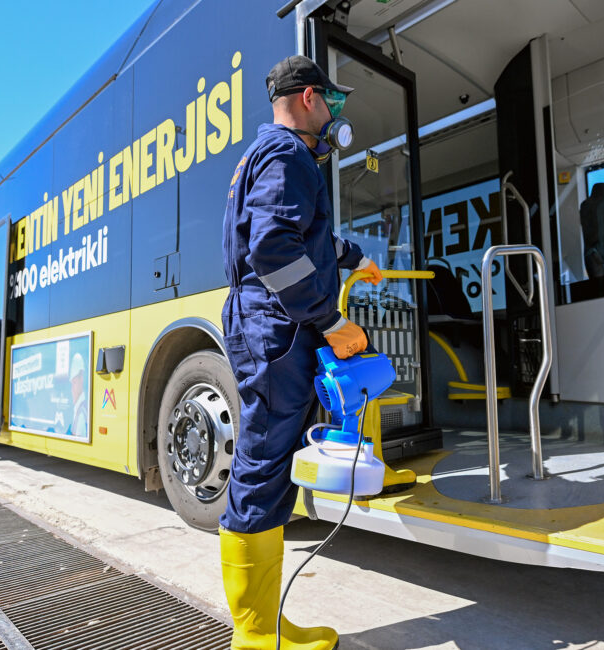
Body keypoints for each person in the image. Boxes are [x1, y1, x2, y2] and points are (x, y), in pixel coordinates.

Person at [218, 55, 382, 649]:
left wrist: (353, 254)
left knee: (269, 463)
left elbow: (300, 233)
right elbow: (273, 248)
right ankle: (256, 635)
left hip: (267, 323)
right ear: (309, 97)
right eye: (331, 102)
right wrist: (331, 319)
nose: (336, 112)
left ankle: (265, 621)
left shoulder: (266, 155)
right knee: (262, 465)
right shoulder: (289, 154)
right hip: (278, 326)